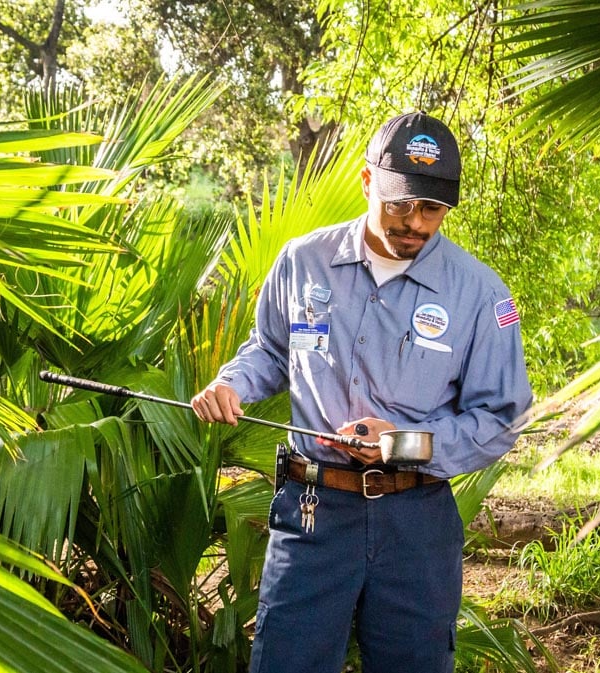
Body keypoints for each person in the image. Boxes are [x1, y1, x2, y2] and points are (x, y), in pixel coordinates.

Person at [190, 111, 532, 673]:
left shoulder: (481, 294)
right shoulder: (302, 263)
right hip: (312, 513)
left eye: (432, 208)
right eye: (400, 203)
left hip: (415, 524)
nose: (415, 223)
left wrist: (403, 445)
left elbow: (499, 419)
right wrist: (231, 383)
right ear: (368, 182)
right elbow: (272, 351)